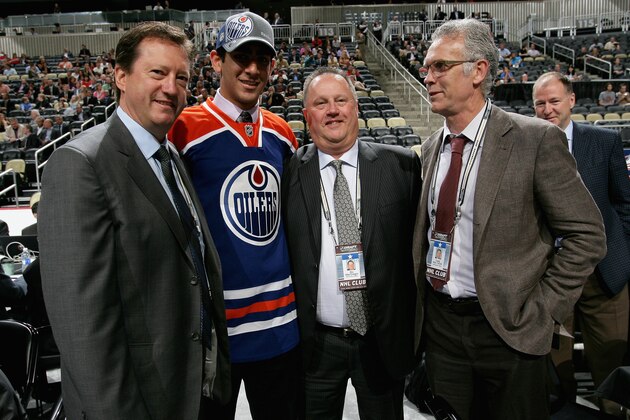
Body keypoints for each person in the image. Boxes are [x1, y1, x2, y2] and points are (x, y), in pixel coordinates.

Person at [413, 19, 606, 420]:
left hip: (510, 329)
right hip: (443, 330)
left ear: (478, 71)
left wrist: (544, 310)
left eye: (439, 67)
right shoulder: (432, 148)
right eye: (426, 67)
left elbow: (587, 235)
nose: (427, 76)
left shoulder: (534, 139)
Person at [38, 22, 230, 420]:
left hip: (192, 389)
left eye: (182, 77)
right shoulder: (79, 164)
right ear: (121, 76)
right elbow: (81, 325)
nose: (171, 88)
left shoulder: (171, 157)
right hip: (136, 401)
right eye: (157, 73)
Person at [168, 12, 300, 420]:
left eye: (263, 59)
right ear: (215, 61)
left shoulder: (282, 132)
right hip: (215, 330)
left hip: (281, 326)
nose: (253, 69)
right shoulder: (182, 129)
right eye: (242, 57)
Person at [282, 67, 421, 419]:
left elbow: (414, 255)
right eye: (321, 103)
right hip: (317, 344)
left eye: (341, 100)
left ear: (355, 108)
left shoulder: (400, 166)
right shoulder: (288, 173)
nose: (333, 110)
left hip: (380, 339)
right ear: (307, 116)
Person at [533, 72, 630, 416]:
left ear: (571, 101)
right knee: (554, 370)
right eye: (540, 103)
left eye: (554, 101)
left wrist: (622, 251)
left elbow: (623, 202)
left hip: (605, 274)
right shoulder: (526, 145)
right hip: (553, 277)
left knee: (611, 365)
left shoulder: (604, 141)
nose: (547, 109)